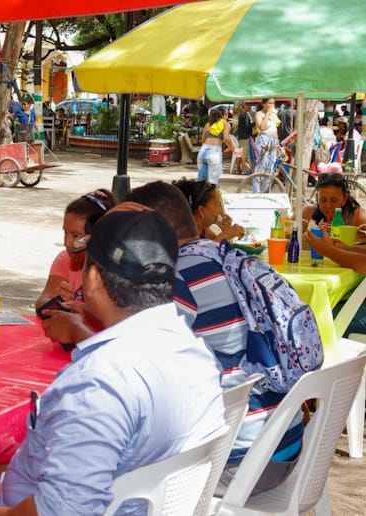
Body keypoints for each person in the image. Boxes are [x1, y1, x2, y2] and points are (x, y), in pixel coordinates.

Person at [0, 210, 225, 516]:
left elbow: (63, 510)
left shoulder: (100, 383)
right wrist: (16, 471)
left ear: (92, 280)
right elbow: (121, 459)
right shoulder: (197, 355)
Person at [127, 181, 305, 497]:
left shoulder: (174, 277)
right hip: (286, 446)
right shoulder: (226, 256)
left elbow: (138, 369)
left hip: (236, 464)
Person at [35, 190, 115, 310]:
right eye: (65, 233)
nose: (66, 242)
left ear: (98, 236)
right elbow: (42, 302)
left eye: (76, 236)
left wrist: (78, 308)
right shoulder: (65, 259)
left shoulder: (116, 271)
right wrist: (58, 302)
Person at [173, 179, 245, 242]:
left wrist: (225, 231)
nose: (220, 210)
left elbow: (215, 244)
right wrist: (226, 235)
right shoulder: (183, 235)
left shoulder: (203, 229)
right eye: (217, 204)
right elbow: (205, 250)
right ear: (201, 210)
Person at [302, 172, 366, 232]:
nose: (328, 205)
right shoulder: (307, 213)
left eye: (334, 200)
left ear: (345, 199)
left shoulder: (357, 217)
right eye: (323, 200)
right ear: (317, 198)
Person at [197, 105, 241, 185]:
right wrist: (234, 149)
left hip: (203, 151)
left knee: (201, 182)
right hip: (214, 152)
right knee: (213, 182)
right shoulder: (225, 124)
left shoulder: (208, 124)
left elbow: (203, 140)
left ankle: (200, 192)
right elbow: (226, 138)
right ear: (225, 115)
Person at [253, 98, 280, 182]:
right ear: (264, 104)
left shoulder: (274, 115)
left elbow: (275, 129)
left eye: (273, 103)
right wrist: (268, 113)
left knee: (271, 165)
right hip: (264, 139)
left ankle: (266, 187)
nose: (272, 105)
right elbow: (262, 127)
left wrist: (277, 143)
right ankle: (258, 187)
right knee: (262, 164)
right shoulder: (259, 114)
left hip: (273, 139)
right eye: (269, 103)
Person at [235, 101, 254, 174]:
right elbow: (246, 127)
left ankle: (238, 169)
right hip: (245, 136)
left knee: (240, 153)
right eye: (248, 105)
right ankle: (244, 170)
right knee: (244, 154)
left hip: (241, 136)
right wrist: (254, 123)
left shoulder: (242, 114)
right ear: (244, 106)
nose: (250, 107)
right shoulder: (245, 115)